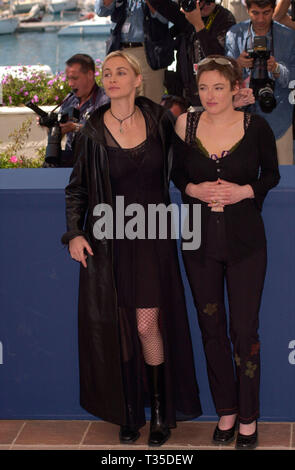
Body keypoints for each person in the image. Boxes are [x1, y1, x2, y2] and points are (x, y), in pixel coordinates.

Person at [61, 50, 202, 446]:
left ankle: (158, 410)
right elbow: (77, 188)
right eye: (107, 73)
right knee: (120, 329)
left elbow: (185, 163)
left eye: (121, 72)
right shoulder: (91, 129)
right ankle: (129, 412)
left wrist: (208, 185)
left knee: (146, 324)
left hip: (152, 237)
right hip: (108, 242)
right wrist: (74, 233)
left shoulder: (159, 120)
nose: (113, 78)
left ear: (138, 80)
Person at [171, 55, 280, 449]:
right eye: (203, 88)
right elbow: (177, 173)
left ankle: (249, 416)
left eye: (219, 87)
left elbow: (271, 174)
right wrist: (193, 190)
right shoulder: (187, 124)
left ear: (236, 88)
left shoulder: (256, 127)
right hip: (199, 242)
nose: (210, 95)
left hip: (246, 243)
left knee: (244, 331)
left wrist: (243, 192)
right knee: (211, 329)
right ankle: (227, 410)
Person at [225, 0, 295, 165]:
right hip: (241, 120)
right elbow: (224, 79)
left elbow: (293, 78)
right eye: (255, 13)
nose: (261, 19)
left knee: (283, 177)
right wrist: (238, 65)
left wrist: (277, 69)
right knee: (245, 178)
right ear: (247, 9)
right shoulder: (235, 34)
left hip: (280, 118)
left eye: (266, 13)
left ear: (273, 10)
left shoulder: (289, 36)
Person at [148, 0, 236, 107]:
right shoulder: (187, 13)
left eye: (211, 1)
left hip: (215, 93)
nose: (208, 4)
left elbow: (217, 58)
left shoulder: (224, 18)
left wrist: (198, 24)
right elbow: (159, 3)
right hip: (190, 92)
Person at [95, 0, 174, 104]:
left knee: (149, 104)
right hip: (120, 50)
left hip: (147, 53)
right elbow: (101, 10)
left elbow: (164, 17)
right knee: (120, 103)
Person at [43, 54, 109, 168]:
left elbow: (106, 134)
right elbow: (60, 134)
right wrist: (53, 127)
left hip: (96, 161)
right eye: (68, 78)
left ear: (89, 75)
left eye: (74, 78)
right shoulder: (69, 100)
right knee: (49, 165)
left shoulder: (105, 100)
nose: (70, 84)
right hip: (72, 159)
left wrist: (75, 127)